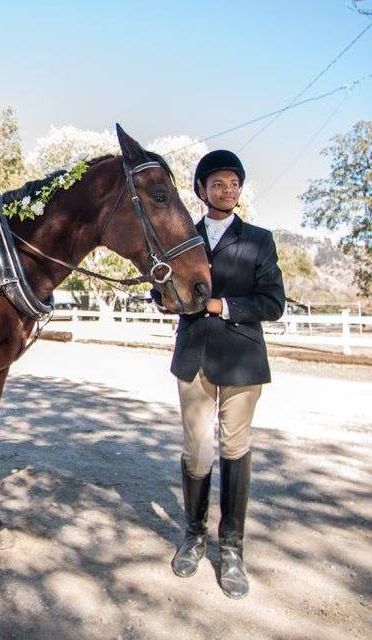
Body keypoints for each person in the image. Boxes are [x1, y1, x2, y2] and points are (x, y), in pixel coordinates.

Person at [154, 150, 285, 599]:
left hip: (243, 360)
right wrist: (163, 296)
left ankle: (231, 548)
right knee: (197, 450)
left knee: (235, 448)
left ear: (239, 189)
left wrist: (222, 305)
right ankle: (193, 536)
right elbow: (167, 286)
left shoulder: (260, 240)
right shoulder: (181, 235)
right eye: (217, 184)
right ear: (201, 190)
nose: (227, 190)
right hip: (193, 358)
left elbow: (273, 303)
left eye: (233, 184)